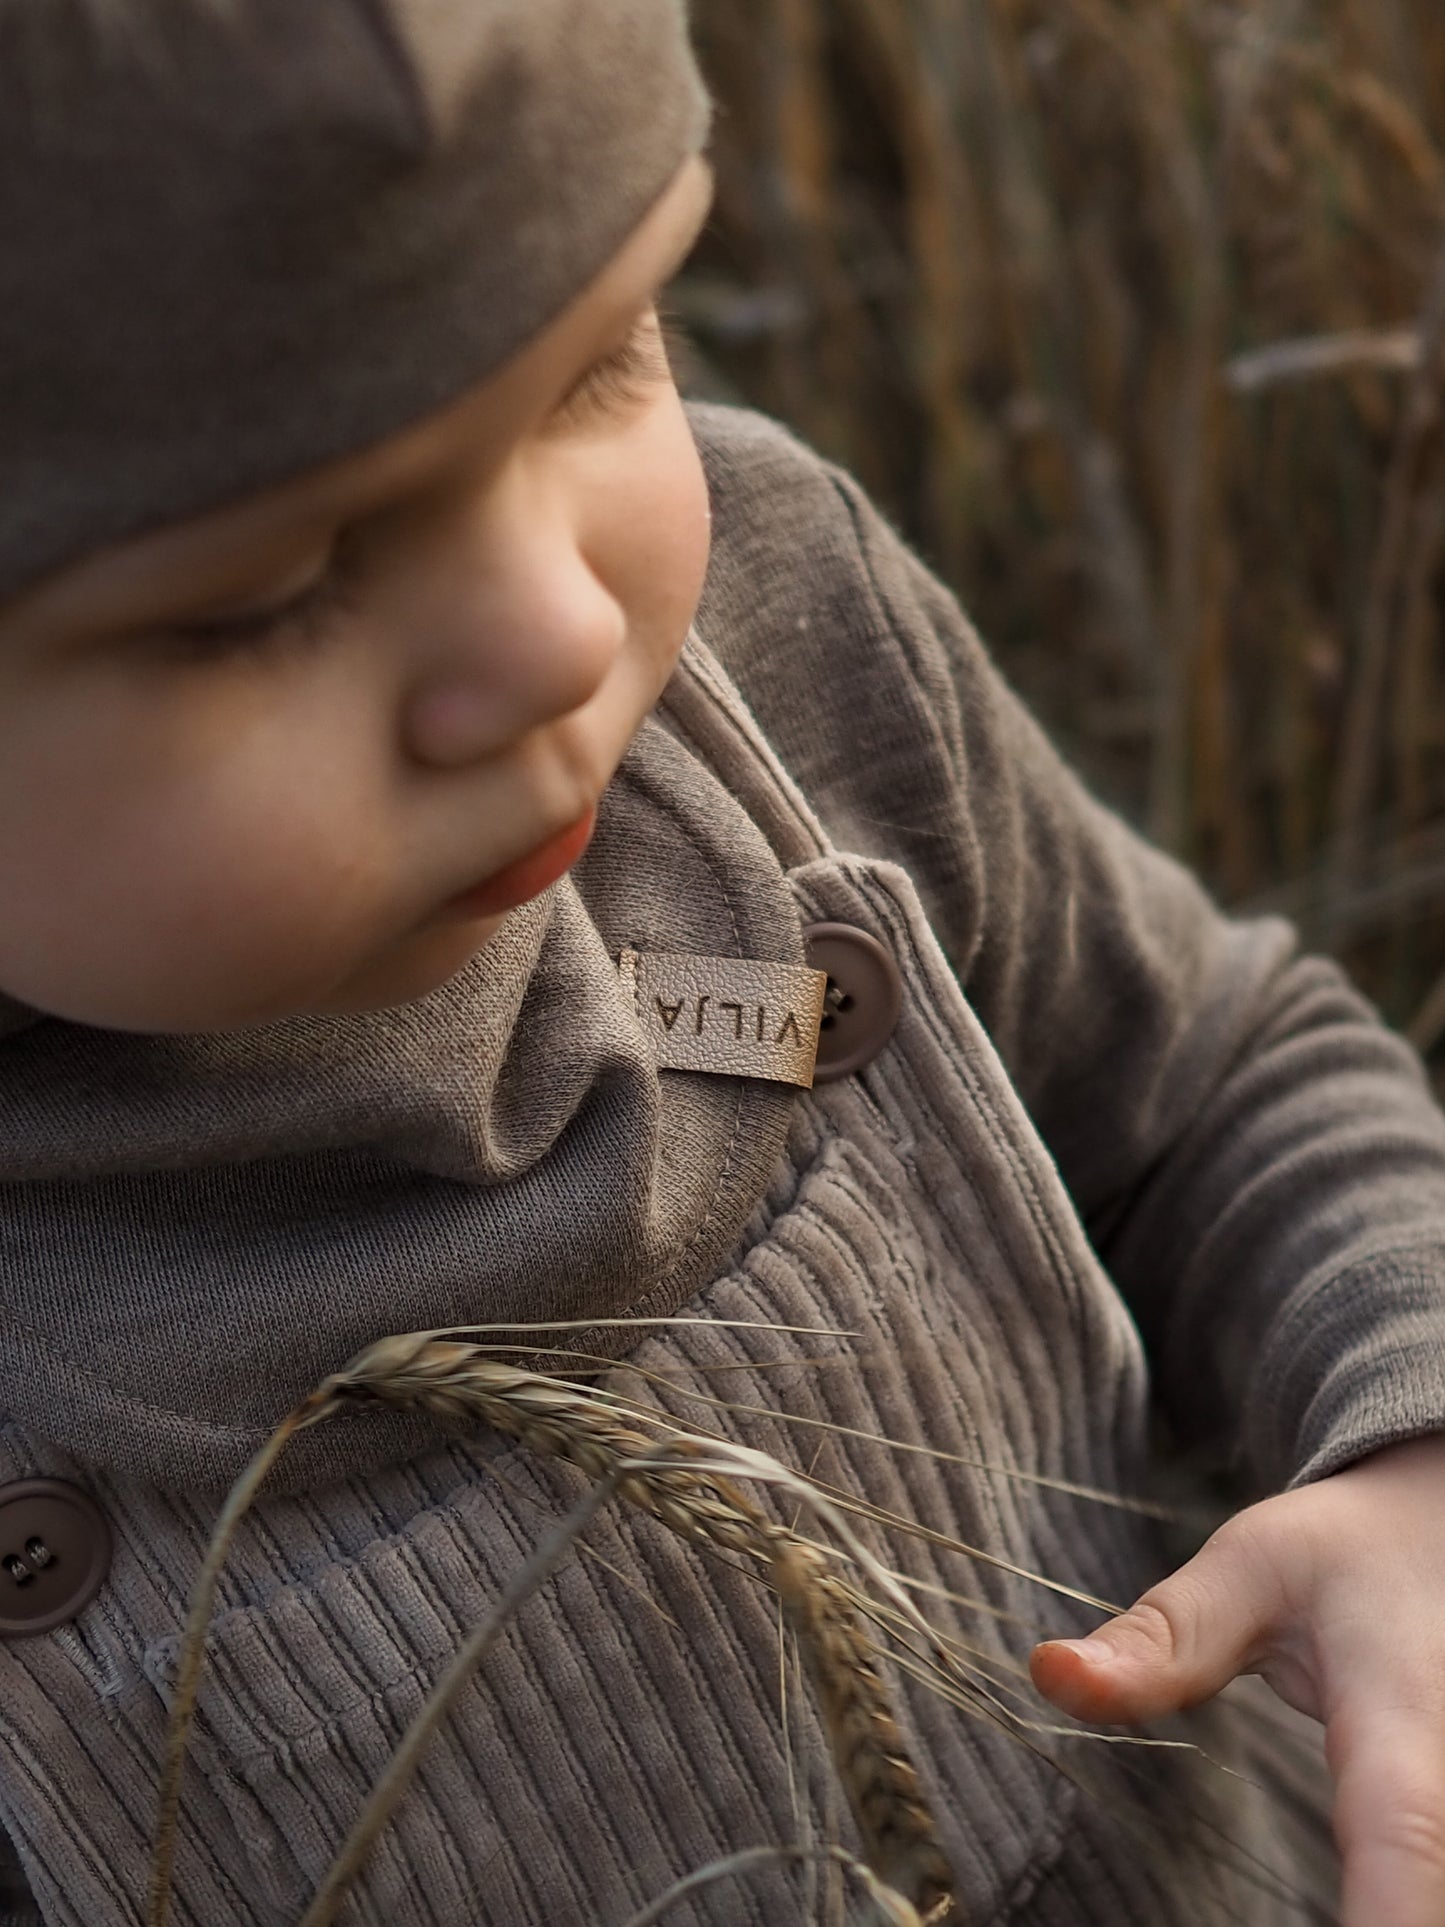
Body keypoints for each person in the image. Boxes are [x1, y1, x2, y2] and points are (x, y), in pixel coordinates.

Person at [0, 3, 1442, 1923]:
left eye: (603, 363)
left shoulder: (781, 653)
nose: (556, 631)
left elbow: (1215, 1081)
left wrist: (1408, 1433)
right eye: (264, 599)